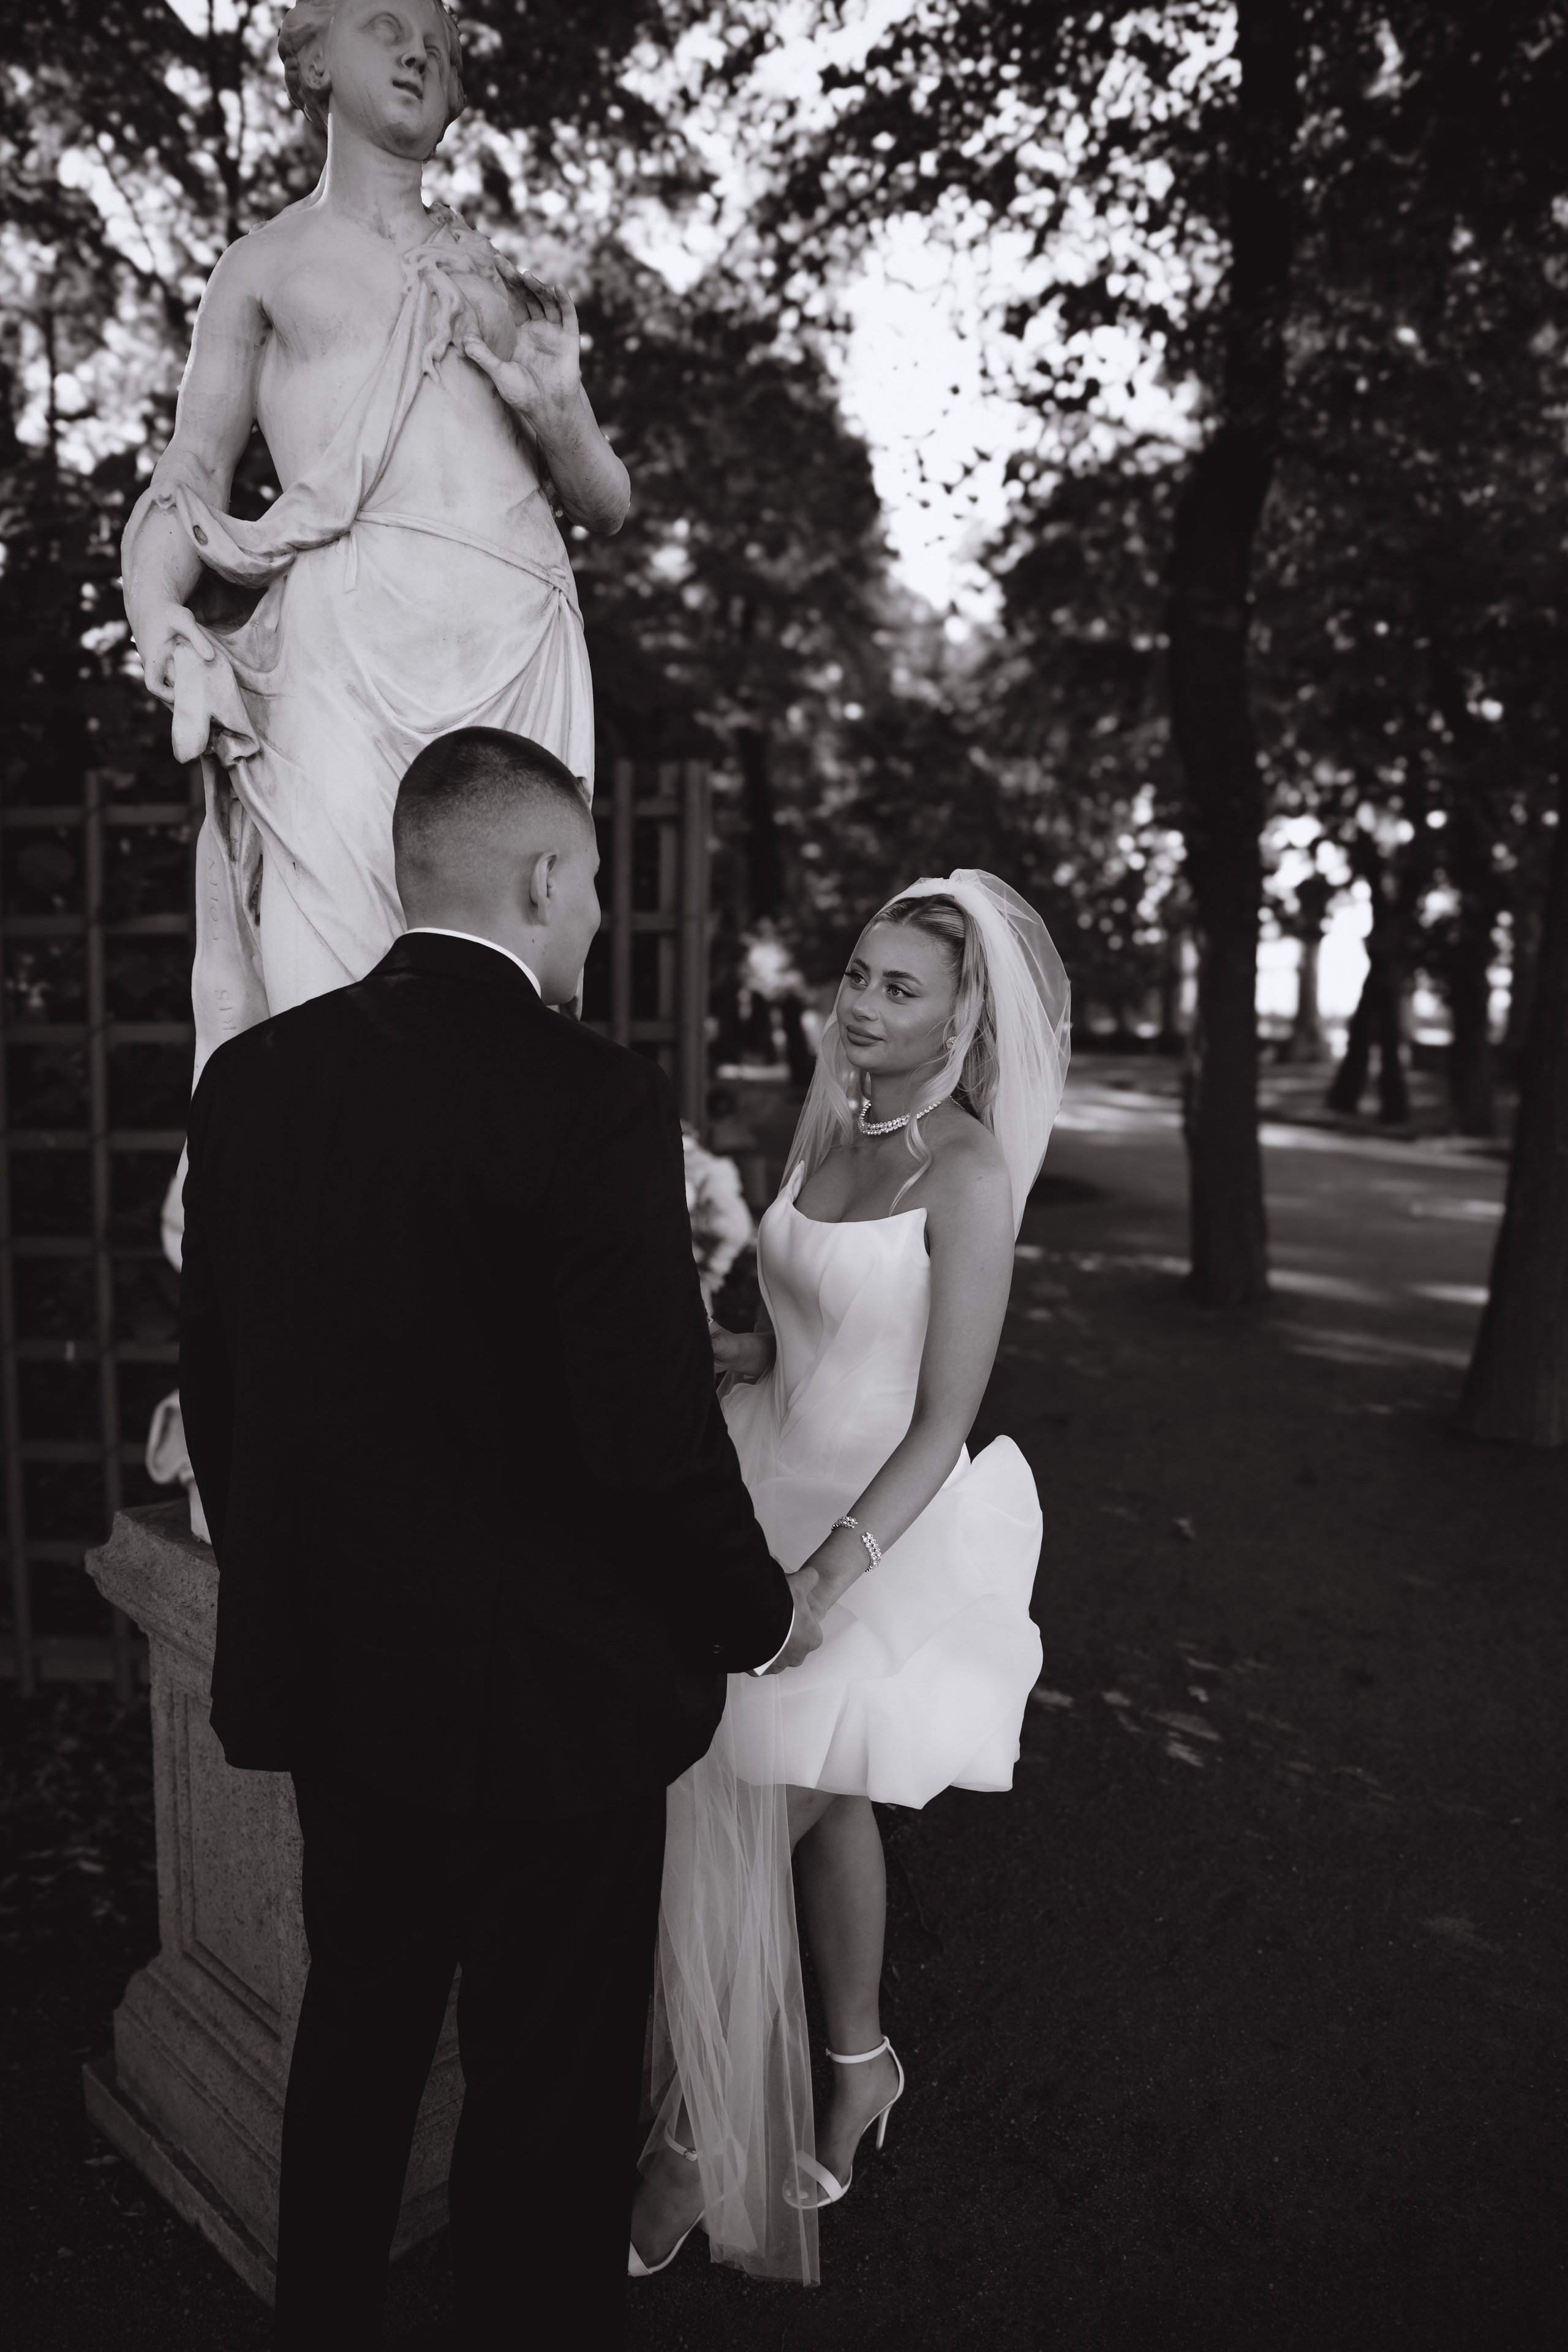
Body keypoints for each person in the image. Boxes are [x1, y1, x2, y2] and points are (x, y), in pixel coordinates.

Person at [179, 728, 816, 2347]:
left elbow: (228, 1394)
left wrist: (302, 1595)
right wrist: (755, 1611)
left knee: (360, 2041)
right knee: (546, 2087)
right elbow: (642, 1435)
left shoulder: (254, 1086)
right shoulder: (585, 1098)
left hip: (345, 1686)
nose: (597, 917)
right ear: (541, 876)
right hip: (557, 1704)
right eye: (593, 882)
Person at [630, 871, 1070, 2283]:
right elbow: (803, 1316)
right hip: (764, 1478)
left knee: (741, 1831)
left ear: (962, 1018)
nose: (862, 1005)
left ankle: (696, 2134)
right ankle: (859, 2059)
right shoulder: (824, 1126)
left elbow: (940, 1417)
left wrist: (822, 1576)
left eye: (900, 988)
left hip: (884, 1529)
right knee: (812, 1811)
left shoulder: (968, 1174)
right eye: (857, 976)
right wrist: (740, 1355)